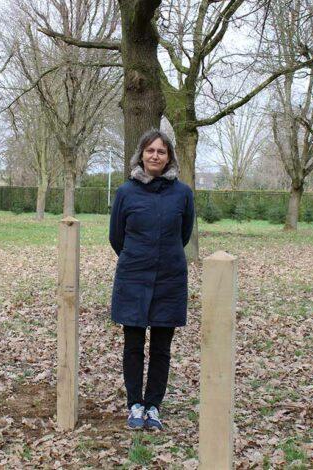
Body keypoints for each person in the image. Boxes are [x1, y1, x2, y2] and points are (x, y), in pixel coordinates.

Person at [109, 129, 195, 430]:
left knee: (161, 348)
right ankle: (134, 403)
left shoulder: (183, 194)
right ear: (141, 155)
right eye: (150, 151)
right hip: (133, 278)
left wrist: (161, 257)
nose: (155, 156)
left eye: (161, 151)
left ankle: (153, 406)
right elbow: (116, 237)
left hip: (169, 279)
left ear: (169, 156)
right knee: (132, 345)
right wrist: (139, 257)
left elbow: (183, 235)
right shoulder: (125, 193)